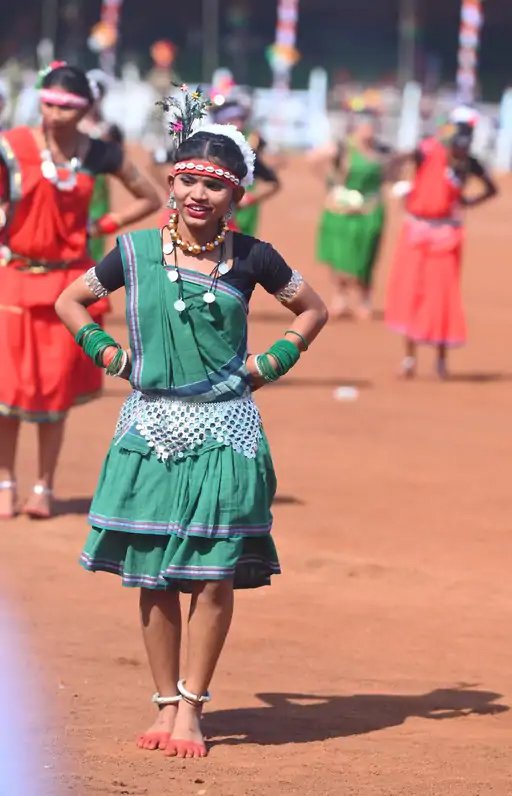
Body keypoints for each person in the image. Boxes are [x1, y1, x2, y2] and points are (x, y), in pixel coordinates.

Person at [55, 87, 328, 759]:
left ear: (237, 195)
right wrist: (109, 355)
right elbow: (70, 300)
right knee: (151, 575)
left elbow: (312, 310)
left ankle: (192, 709)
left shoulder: (254, 257)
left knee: (214, 576)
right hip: (150, 430)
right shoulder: (133, 253)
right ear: (172, 183)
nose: (198, 194)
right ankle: (163, 703)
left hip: (226, 433)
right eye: (188, 180)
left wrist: (270, 364)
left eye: (215, 184)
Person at [0, 62, 160, 520]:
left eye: (66, 106)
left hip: (68, 287)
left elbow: (150, 196)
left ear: (86, 107)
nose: (55, 114)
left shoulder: (100, 152)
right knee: (7, 391)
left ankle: (43, 486)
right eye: (48, 103)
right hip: (12, 278)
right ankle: (5, 482)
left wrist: (100, 226)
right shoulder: (10, 146)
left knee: (53, 391)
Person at [385, 119, 497, 379]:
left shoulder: (468, 164)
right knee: (412, 293)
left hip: (447, 237)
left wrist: (467, 202)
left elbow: (492, 189)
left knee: (442, 296)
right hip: (416, 234)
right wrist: (402, 186)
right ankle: (409, 358)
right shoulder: (426, 153)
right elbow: (395, 161)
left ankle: (441, 360)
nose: (461, 151)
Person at [314, 114, 391, 320]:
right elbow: (314, 159)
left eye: (372, 127)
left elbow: (391, 174)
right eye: (365, 126)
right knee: (339, 254)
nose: (368, 131)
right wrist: (332, 185)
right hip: (342, 209)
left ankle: (364, 298)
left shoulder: (381, 151)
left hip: (369, 210)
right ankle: (340, 296)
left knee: (366, 254)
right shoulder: (343, 147)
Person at [210, 99, 280, 236]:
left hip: (242, 210)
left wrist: (249, 198)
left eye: (241, 119)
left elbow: (273, 181)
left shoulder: (249, 146)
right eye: (232, 119)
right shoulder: (205, 147)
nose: (239, 124)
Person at [81, 70, 125, 264]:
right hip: (74, 180)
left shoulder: (109, 128)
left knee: (96, 230)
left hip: (98, 187)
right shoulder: (73, 126)